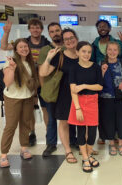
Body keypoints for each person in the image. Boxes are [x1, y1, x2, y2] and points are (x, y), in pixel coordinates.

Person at [1, 18, 50, 146]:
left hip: (42, 80)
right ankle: (31, 132)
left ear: (41, 29)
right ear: (29, 29)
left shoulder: (46, 43)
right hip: (27, 81)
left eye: (37, 27)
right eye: (32, 27)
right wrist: (6, 33)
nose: (35, 29)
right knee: (32, 108)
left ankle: (48, 133)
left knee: (45, 108)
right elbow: (4, 46)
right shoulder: (24, 42)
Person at [39, 28, 79, 164]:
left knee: (80, 122)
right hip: (64, 95)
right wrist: (49, 58)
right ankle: (68, 150)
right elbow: (43, 73)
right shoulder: (59, 56)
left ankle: (82, 145)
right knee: (64, 122)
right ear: (63, 41)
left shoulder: (83, 54)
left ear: (76, 39)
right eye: (66, 39)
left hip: (80, 95)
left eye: (71, 37)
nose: (69, 41)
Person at [0, 39, 38, 168]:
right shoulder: (10, 62)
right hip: (12, 98)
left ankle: (24, 148)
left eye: (26, 46)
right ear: (16, 50)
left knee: (25, 124)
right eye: (21, 47)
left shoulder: (30, 63)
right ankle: (4, 155)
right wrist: (12, 69)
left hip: (27, 97)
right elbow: (7, 82)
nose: (24, 49)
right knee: (10, 126)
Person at [68, 41, 103, 173]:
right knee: (81, 130)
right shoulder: (73, 68)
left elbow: (99, 86)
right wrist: (77, 108)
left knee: (93, 131)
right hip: (79, 103)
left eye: (89, 52)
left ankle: (89, 154)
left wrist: (83, 85)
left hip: (93, 101)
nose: (86, 54)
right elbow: (73, 89)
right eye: (83, 51)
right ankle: (85, 157)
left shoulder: (95, 67)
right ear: (77, 52)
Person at [37, 22, 63, 157]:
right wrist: (43, 90)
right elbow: (41, 71)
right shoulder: (45, 50)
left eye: (57, 30)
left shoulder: (68, 48)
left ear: (61, 31)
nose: (55, 33)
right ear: (49, 34)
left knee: (68, 119)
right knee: (52, 119)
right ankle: (51, 144)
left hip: (65, 90)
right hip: (50, 90)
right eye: (52, 31)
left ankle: (73, 141)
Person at [100, 41, 122, 156]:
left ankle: (121, 143)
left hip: (120, 97)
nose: (112, 52)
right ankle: (112, 143)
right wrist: (102, 71)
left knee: (121, 120)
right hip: (105, 98)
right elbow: (97, 80)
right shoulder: (101, 63)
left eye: (115, 50)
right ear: (106, 51)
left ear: (118, 51)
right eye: (110, 49)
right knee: (108, 121)